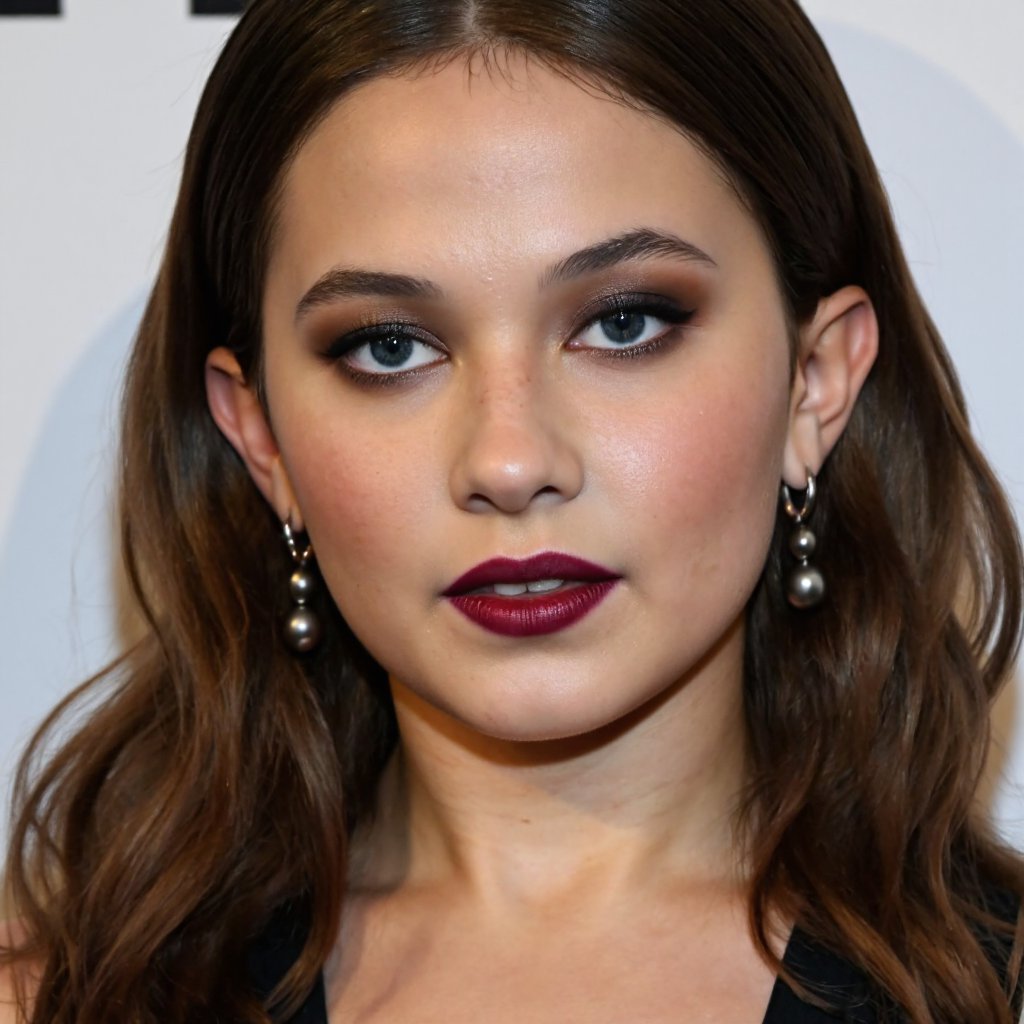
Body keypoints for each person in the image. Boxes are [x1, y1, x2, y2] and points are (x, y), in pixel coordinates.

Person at [2, 0, 1023, 1021]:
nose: (509, 459)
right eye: (390, 346)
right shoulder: (69, 998)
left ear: (813, 382)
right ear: (260, 436)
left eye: (623, 323)